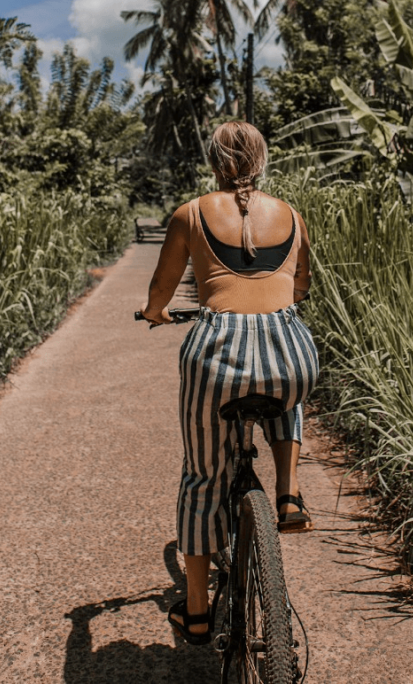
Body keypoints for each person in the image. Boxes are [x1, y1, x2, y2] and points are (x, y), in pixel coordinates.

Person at [139, 121, 319, 646]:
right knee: (289, 385)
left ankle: (196, 613)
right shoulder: (291, 215)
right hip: (290, 347)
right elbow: (303, 283)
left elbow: (161, 291)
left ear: (214, 161)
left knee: (202, 478)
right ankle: (288, 495)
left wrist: (156, 313)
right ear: (262, 161)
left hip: (216, 356)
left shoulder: (190, 214)